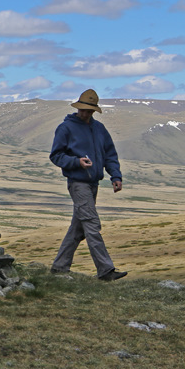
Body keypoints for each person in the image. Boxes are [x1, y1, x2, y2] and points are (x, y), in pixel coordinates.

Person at [49, 88, 126, 281]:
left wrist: (116, 176)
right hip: (78, 183)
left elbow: (110, 154)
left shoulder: (99, 129)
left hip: (93, 184)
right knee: (92, 224)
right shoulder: (65, 128)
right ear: (78, 108)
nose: (85, 114)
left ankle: (59, 267)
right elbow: (56, 156)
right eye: (83, 110)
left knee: (78, 228)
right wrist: (77, 162)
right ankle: (106, 270)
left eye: (89, 111)